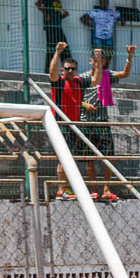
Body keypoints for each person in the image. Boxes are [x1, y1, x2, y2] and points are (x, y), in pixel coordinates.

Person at [81, 45, 135, 202]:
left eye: (102, 59)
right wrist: (85, 105)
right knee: (89, 157)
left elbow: (125, 73)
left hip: (102, 121)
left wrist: (129, 56)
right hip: (86, 122)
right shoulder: (83, 78)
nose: (99, 61)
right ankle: (93, 190)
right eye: (96, 59)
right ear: (90, 60)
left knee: (108, 155)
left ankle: (106, 189)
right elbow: (75, 98)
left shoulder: (107, 75)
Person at [48, 42, 94, 201]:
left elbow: (96, 79)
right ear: (62, 70)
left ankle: (67, 189)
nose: (69, 71)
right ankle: (62, 190)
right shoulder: (59, 82)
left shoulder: (79, 83)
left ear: (76, 71)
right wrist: (57, 52)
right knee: (64, 157)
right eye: (66, 68)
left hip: (74, 126)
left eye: (72, 69)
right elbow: (51, 72)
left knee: (71, 158)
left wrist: (99, 62)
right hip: (61, 125)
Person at [36, 0, 70, 75]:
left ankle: (67, 69)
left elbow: (57, 16)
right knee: (51, 49)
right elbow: (38, 3)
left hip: (58, 27)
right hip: (50, 27)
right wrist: (46, 13)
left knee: (64, 48)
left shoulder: (58, 1)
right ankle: (48, 71)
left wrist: (63, 16)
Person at [81, 0, 120, 66]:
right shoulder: (95, 11)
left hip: (108, 36)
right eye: (102, 2)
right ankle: (97, 69)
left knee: (109, 53)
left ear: (108, 3)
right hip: (97, 36)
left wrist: (122, 20)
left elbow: (120, 17)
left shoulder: (112, 12)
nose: (104, 3)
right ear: (100, 3)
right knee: (98, 54)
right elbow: (83, 18)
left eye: (106, 2)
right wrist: (91, 26)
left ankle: (105, 68)